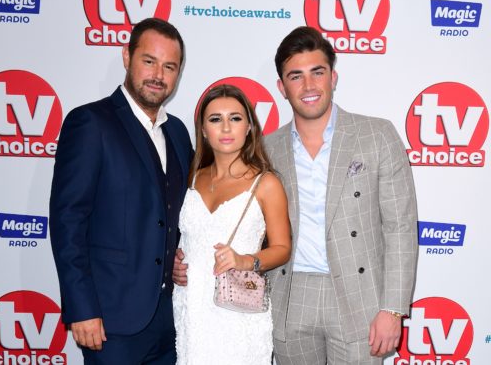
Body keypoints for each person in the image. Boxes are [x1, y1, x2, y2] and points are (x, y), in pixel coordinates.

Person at [263, 27, 418, 364]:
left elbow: (400, 227)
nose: (308, 86)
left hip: (358, 295)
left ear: (333, 77)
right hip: (291, 296)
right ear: (281, 87)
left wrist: (392, 309)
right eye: (296, 76)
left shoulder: (377, 135)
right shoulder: (266, 148)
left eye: (317, 72)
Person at [50, 18, 192, 364]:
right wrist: (81, 308)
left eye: (169, 66)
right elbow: (68, 221)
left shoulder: (178, 133)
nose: (158, 74)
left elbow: (175, 216)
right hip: (109, 320)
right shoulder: (90, 123)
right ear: (127, 57)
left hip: (170, 319)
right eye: (149, 61)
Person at [172, 84, 291, 365]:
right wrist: (174, 261)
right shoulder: (192, 177)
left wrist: (245, 260)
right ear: (202, 130)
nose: (226, 128)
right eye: (215, 119)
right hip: (191, 306)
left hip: (238, 312)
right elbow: (185, 236)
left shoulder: (266, 182)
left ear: (249, 126)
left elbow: (282, 247)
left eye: (235, 118)